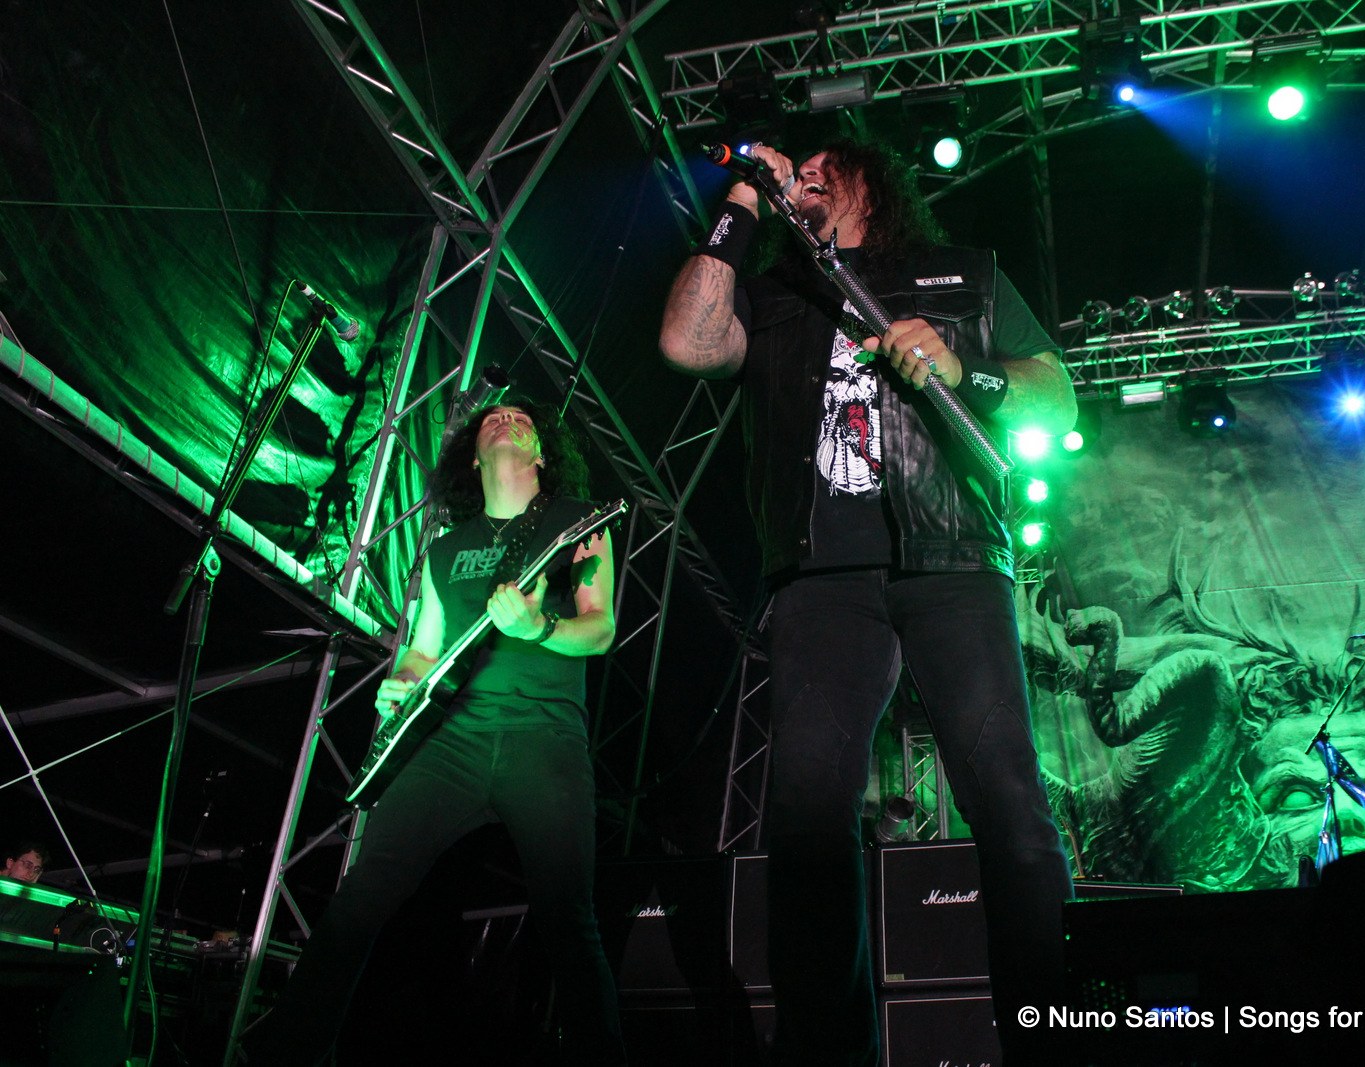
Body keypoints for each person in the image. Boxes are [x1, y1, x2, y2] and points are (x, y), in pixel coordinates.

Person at [660, 137, 1076, 1066]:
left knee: (1007, 801)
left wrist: (968, 369)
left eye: (822, 164)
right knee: (807, 821)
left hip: (951, 557)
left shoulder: (963, 272)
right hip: (821, 577)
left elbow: (1059, 402)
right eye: (793, 167)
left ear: (868, 182)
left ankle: (1057, 1036)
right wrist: (743, 201)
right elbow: (688, 342)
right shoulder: (774, 292)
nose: (802, 172)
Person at [243, 400, 626, 1066]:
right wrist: (401, 681)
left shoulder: (579, 521)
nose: (505, 419)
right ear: (472, 460)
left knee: (569, 921)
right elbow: (423, 648)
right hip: (451, 744)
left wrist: (537, 627)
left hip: (545, 740)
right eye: (491, 419)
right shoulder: (446, 547)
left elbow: (600, 628)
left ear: (542, 454)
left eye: (521, 418)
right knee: (361, 897)